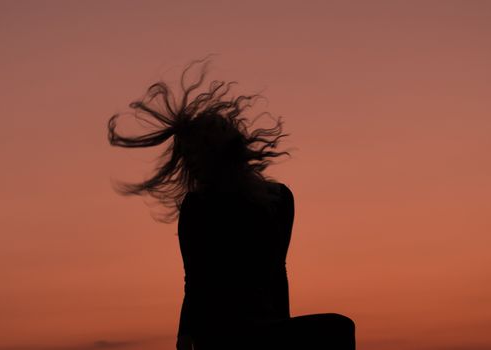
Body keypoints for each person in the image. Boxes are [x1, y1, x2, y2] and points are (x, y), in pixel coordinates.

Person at [107, 58, 355, 349]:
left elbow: (278, 271)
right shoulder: (197, 206)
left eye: (197, 153)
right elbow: (195, 281)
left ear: (220, 152)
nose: (192, 164)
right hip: (218, 331)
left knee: (339, 327)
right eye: (187, 156)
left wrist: (282, 329)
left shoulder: (279, 199)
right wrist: (184, 337)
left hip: (265, 326)